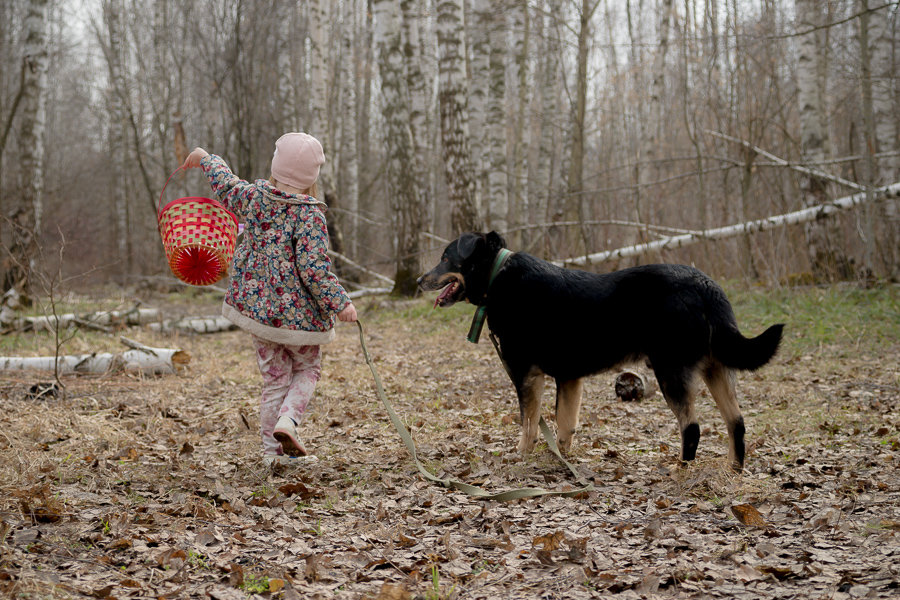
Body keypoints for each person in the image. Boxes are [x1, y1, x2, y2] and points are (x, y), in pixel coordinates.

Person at [181, 132, 357, 466]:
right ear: (312, 177)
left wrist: (206, 157)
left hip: (259, 316)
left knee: (274, 380)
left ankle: (271, 454)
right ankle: (288, 421)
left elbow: (226, 183)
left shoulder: (255, 198)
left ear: (276, 165)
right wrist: (341, 303)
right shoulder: (310, 215)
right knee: (307, 369)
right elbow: (314, 269)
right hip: (299, 321)